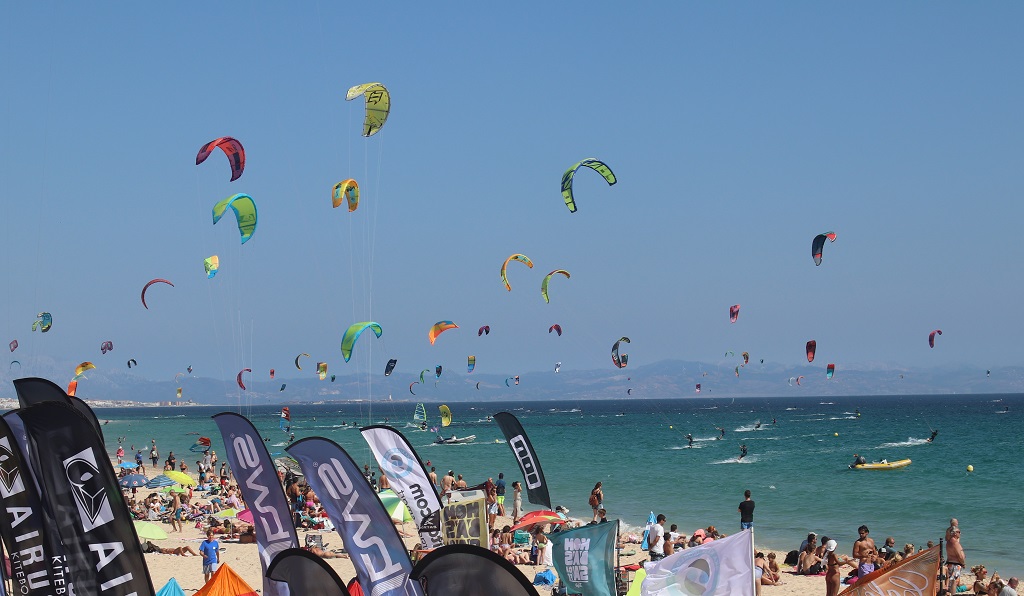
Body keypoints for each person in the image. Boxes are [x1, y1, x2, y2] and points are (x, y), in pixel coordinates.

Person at [946, 524, 966, 594]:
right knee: (954, 581)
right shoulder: (954, 542)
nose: (960, 533)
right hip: (955, 564)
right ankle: (953, 594)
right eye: (959, 532)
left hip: (950, 563)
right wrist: (963, 563)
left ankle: (950, 593)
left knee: (951, 581)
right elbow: (959, 555)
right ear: (954, 533)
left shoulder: (949, 541)